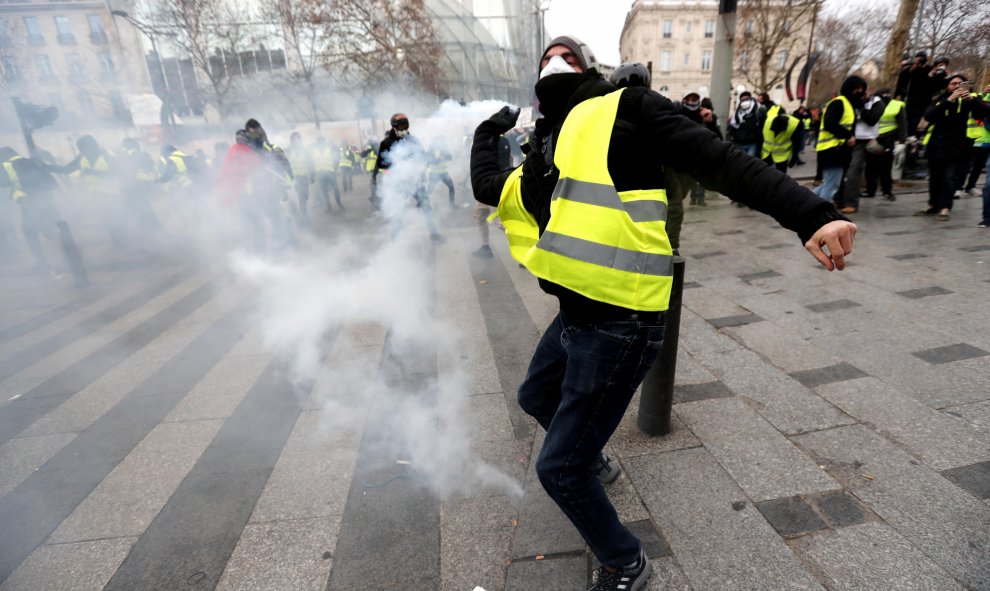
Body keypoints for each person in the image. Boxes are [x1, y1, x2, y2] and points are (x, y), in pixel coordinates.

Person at [471, 35, 856, 591]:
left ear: (587, 67)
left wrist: (811, 215)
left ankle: (625, 562)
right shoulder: (543, 150)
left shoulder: (628, 107)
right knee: (535, 398)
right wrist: (487, 134)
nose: (555, 61)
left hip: (622, 323)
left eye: (568, 55)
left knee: (558, 469)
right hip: (577, 316)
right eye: (547, 57)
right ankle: (593, 460)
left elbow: (720, 162)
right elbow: (489, 187)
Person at [0, 147, 89, 285]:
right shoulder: (33, 162)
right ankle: (68, 250)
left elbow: (3, 183)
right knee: (44, 231)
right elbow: (60, 171)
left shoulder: (7, 165)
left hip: (30, 204)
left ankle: (50, 260)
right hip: (46, 201)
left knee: (32, 232)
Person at [916, 74, 990, 221]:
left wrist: (972, 100)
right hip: (937, 144)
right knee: (935, 178)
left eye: (960, 83)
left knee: (950, 178)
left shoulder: (972, 99)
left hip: (959, 146)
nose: (957, 86)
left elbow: (985, 113)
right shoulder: (940, 99)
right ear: (947, 86)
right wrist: (949, 100)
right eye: (953, 83)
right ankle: (933, 204)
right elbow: (929, 115)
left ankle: (945, 207)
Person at [372, 113, 444, 242]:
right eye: (401, 126)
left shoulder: (413, 140)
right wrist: (398, 162)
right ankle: (394, 239)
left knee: (426, 207)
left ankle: (434, 235)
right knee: (399, 210)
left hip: (415, 181)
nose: (404, 129)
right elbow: (380, 163)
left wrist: (423, 165)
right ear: (394, 127)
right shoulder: (387, 143)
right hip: (399, 183)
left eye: (406, 125)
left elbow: (423, 156)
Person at [814, 76, 867, 207]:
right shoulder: (839, 103)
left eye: (862, 89)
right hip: (832, 150)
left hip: (837, 151)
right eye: (857, 88)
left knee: (830, 184)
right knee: (832, 185)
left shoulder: (849, 105)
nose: (860, 91)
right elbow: (829, 123)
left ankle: (802, 201)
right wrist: (848, 136)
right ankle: (821, 214)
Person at [839, 87, 885, 213]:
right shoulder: (849, 102)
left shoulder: (876, 102)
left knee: (854, 171)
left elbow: (872, 119)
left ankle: (851, 202)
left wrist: (861, 107)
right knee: (842, 170)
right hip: (849, 139)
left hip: (866, 141)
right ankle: (840, 199)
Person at [868, 89, 908, 201]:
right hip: (873, 138)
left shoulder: (897, 105)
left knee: (886, 166)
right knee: (871, 166)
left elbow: (902, 123)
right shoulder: (871, 104)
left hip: (888, 138)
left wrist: (902, 141)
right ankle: (870, 190)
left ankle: (887, 191)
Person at [962, 83, 990, 197]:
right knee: (968, 164)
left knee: (979, 165)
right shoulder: (981, 97)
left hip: (986, 138)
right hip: (977, 136)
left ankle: (970, 187)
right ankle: (959, 187)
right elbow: (977, 108)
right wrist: (983, 93)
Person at [761, 102, 802, 173]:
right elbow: (760, 138)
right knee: (765, 175)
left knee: (781, 177)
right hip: (766, 154)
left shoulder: (794, 125)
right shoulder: (767, 122)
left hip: (782, 156)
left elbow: (796, 143)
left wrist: (794, 157)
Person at [286, 132, 315, 224]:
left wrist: (312, 175)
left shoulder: (305, 151)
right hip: (293, 180)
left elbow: (310, 163)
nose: (296, 141)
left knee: (304, 198)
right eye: (294, 139)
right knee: (299, 198)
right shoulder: (287, 151)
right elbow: (283, 164)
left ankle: (302, 216)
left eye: (297, 139)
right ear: (291, 141)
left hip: (304, 178)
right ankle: (303, 218)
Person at [727, 90, 765, 156]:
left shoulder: (757, 111)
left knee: (749, 163)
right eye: (742, 100)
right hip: (738, 143)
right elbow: (732, 127)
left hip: (751, 144)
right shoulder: (737, 113)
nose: (745, 102)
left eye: (746, 99)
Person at [312, 136, 343, 212]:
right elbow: (312, 162)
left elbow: (337, 155)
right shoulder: (314, 150)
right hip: (320, 173)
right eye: (319, 142)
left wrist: (335, 167)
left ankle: (339, 203)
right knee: (324, 191)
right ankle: (328, 206)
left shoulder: (330, 148)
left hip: (330, 172)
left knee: (335, 189)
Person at [425, 136, 457, 208]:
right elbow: (429, 161)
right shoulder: (431, 150)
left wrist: (446, 155)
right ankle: (421, 202)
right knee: (430, 190)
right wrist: (439, 159)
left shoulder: (444, 149)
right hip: (434, 174)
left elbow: (450, 158)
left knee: (451, 187)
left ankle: (452, 204)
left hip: (444, 173)